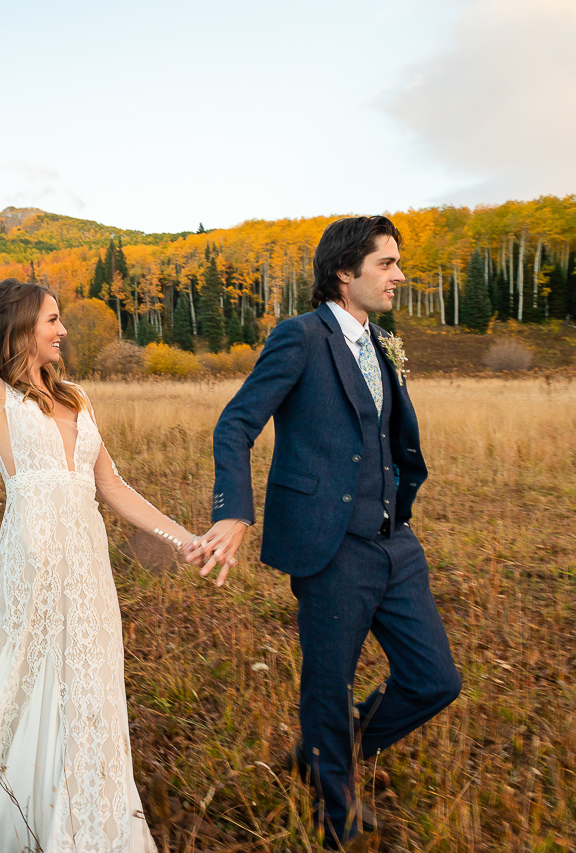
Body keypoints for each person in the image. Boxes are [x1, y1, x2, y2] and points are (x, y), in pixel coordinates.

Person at [0, 131, 192, 853]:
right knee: (25, 693)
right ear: (23, 328)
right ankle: (12, 822)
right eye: (55, 318)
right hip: (32, 578)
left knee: (89, 699)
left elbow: (114, 488)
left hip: (88, 579)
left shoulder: (79, 399)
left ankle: (88, 829)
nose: (65, 329)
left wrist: (183, 538)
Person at [186, 216, 462, 850]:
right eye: (386, 263)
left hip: (395, 542)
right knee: (327, 684)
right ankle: (332, 817)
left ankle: (325, 751)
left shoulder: (381, 340)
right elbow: (235, 425)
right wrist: (233, 509)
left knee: (434, 681)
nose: (399, 274)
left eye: (398, 263)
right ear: (345, 272)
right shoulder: (300, 338)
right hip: (329, 545)